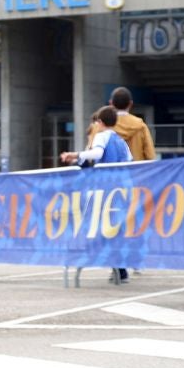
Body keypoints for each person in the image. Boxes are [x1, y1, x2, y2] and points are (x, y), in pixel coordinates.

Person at [61, 106, 134, 284]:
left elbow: (98, 153)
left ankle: (93, 258)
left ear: (100, 123)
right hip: (122, 189)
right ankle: (120, 269)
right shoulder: (121, 140)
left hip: (106, 189)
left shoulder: (102, 136)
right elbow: (130, 161)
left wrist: (75, 155)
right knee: (115, 229)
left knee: (97, 226)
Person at [108, 87, 157, 161]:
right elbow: (150, 155)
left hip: (110, 171)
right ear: (131, 103)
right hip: (136, 171)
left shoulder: (103, 126)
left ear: (111, 103)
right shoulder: (141, 126)